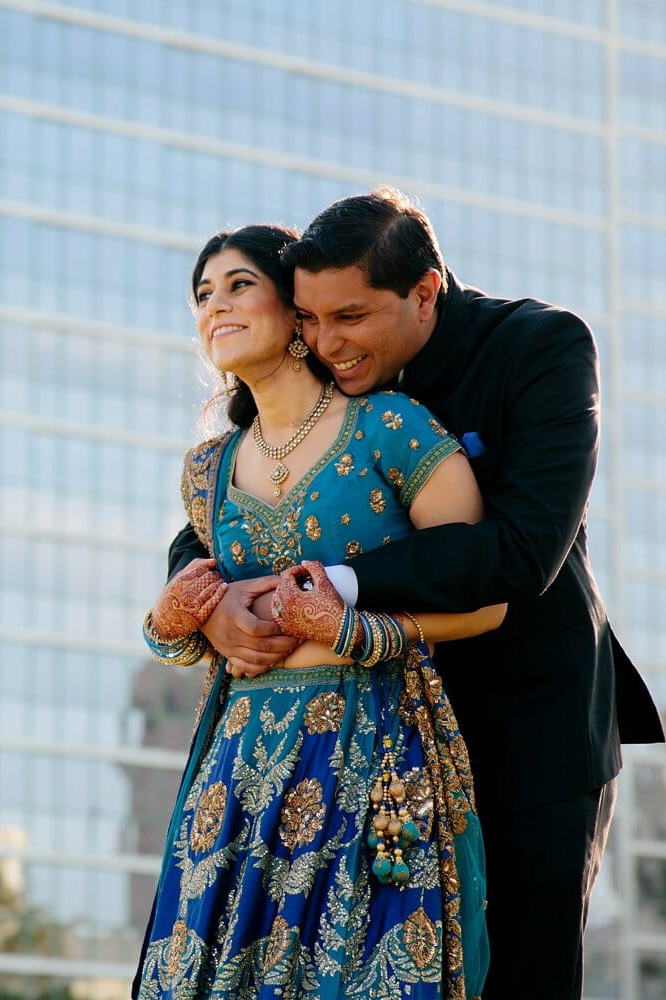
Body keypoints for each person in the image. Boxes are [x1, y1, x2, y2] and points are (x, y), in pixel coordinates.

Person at [165, 188, 665, 998]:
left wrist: (331, 585)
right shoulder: (326, 369)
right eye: (311, 319)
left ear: (425, 292)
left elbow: (521, 553)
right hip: (370, 739)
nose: (327, 343)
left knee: (517, 971)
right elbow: (219, 508)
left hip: (524, 725)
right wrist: (211, 602)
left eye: (351, 319)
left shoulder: (539, 347)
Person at [134, 224, 503, 998]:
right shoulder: (207, 471)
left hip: (370, 750)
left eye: (238, 285)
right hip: (238, 771)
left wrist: (353, 631)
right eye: (202, 294)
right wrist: (186, 622)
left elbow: (487, 597)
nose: (215, 306)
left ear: (296, 312)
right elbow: (192, 618)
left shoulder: (391, 428)